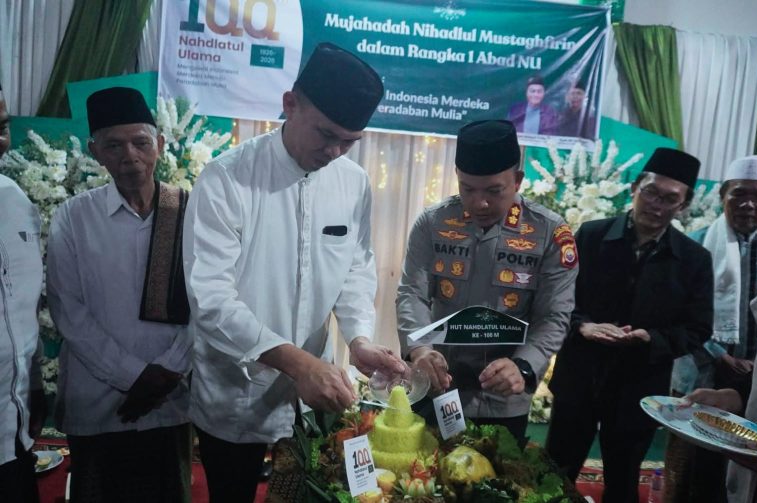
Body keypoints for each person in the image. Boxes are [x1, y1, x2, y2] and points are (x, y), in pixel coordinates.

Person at [182, 42, 406, 503]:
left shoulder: (353, 182)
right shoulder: (228, 178)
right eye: (326, 134)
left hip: (313, 396)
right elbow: (210, 297)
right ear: (289, 104)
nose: (336, 150)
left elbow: (354, 269)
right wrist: (297, 362)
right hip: (236, 390)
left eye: (350, 141)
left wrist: (360, 338)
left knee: (307, 494)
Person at [47, 87, 192, 502]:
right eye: (114, 145)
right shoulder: (73, 218)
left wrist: (167, 373)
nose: (129, 155)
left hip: (170, 404)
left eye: (140, 142)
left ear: (159, 146)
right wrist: (135, 376)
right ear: (96, 152)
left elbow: (210, 302)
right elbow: (68, 312)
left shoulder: (187, 211)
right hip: (99, 406)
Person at [546, 147, 714, 503]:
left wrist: (650, 339)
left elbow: (698, 328)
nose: (657, 204)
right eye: (652, 192)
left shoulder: (693, 259)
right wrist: (583, 327)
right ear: (635, 187)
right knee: (555, 474)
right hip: (580, 377)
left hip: (638, 388)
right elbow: (557, 300)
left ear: (683, 206)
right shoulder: (590, 236)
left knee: (623, 484)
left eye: (670, 199)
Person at [396, 119, 578, 445]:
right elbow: (412, 293)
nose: (479, 203)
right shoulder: (433, 222)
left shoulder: (549, 232)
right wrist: (420, 349)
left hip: (504, 397)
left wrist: (523, 366)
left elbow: (553, 315)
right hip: (440, 384)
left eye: (494, 191)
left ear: (518, 180)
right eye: (468, 189)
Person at [665, 155, 757, 502]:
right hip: (701, 374)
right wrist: (719, 356)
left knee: (751, 464)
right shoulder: (695, 245)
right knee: (690, 470)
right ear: (721, 196)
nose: (749, 205)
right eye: (738, 194)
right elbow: (678, 315)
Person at [0, 85, 45, 503]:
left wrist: (35, 381)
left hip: (15, 432)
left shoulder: (15, 199)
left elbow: (24, 305)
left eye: (2, 127)